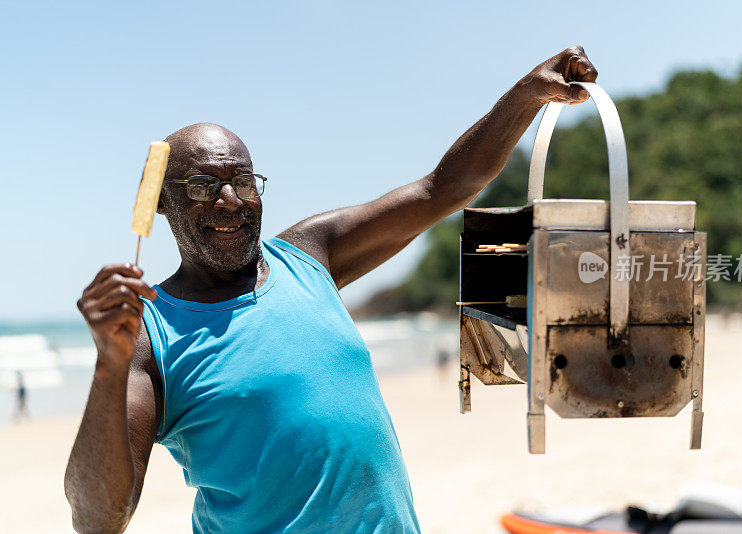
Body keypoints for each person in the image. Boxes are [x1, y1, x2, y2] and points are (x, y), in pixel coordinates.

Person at [64, 46, 598, 533]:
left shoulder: (309, 255)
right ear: (160, 203)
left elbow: (444, 188)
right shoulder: (148, 335)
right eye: (204, 186)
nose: (230, 200)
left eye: (244, 182)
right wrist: (109, 366)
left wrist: (528, 94)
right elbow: (98, 519)